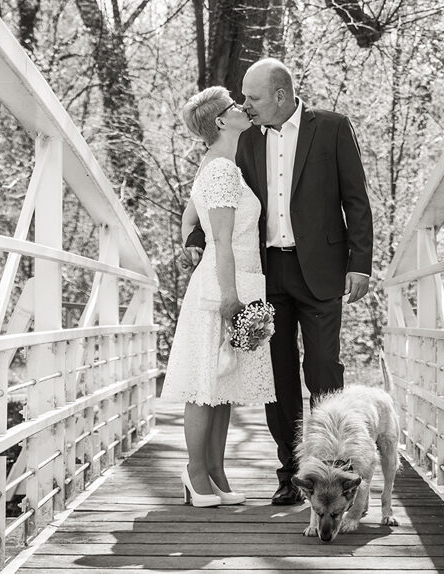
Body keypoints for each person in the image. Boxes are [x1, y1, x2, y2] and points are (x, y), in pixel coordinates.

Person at [184, 58, 374, 505]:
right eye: (242, 101)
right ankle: (291, 474)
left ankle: (332, 468)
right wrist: (198, 234)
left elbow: (356, 199)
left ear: (281, 96)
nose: (246, 106)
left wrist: (359, 263)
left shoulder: (331, 128)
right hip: (268, 274)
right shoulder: (245, 140)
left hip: (323, 269)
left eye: (252, 97)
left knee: (324, 369)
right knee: (279, 377)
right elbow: (216, 195)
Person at [162, 86, 276, 507]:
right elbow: (223, 241)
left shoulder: (220, 166)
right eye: (234, 106)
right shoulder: (222, 170)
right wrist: (230, 297)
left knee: (223, 385)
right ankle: (195, 473)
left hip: (240, 278)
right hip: (222, 285)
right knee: (204, 384)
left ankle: (216, 471)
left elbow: (192, 218)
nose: (243, 108)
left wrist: (188, 240)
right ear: (220, 122)